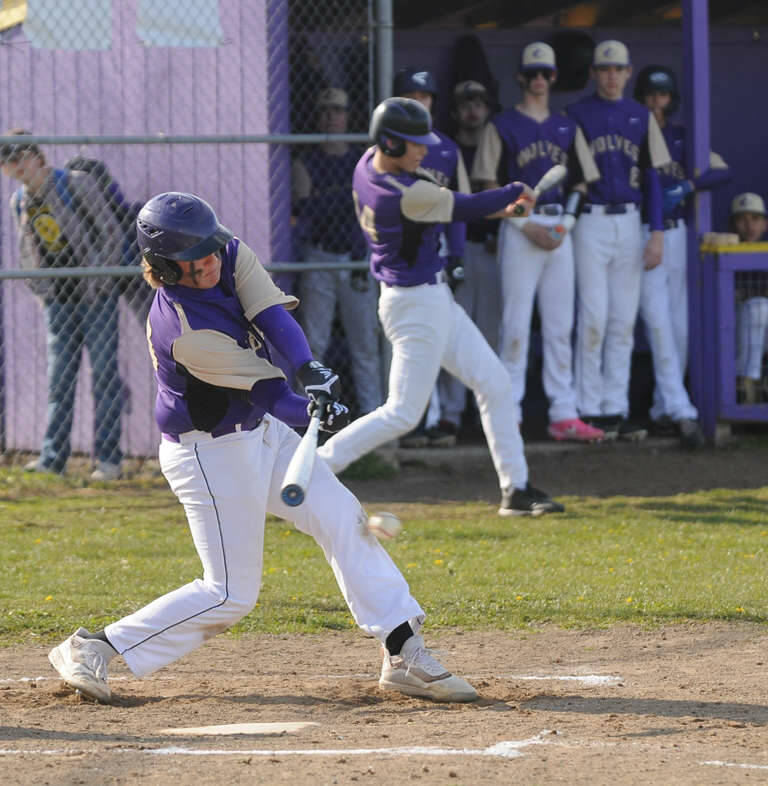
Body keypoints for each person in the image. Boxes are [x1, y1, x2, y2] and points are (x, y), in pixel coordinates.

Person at [47, 192, 478, 705]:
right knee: (229, 593)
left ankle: (403, 650)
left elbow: (272, 314)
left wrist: (309, 370)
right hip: (208, 455)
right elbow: (269, 393)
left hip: (259, 433)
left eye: (210, 250)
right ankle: (95, 646)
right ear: (164, 267)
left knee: (342, 515)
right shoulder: (183, 330)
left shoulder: (226, 251)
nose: (209, 262)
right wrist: (313, 409)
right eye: (194, 259)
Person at [317, 97, 565, 517]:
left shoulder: (367, 164)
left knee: (495, 384)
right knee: (403, 413)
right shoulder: (402, 193)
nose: (423, 151)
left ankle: (516, 490)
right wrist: (513, 192)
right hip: (415, 305)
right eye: (414, 144)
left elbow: (455, 208)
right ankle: (315, 469)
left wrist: (504, 210)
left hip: (429, 299)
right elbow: (464, 206)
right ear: (391, 144)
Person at [472, 42, 605, 444]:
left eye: (546, 73)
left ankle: (563, 412)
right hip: (520, 230)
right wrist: (525, 225)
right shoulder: (502, 125)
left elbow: (581, 180)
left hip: (558, 228)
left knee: (560, 326)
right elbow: (488, 185)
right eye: (532, 74)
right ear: (520, 78)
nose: (539, 80)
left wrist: (564, 224)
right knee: (514, 327)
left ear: (553, 77)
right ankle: (508, 413)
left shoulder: (566, 126)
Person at [0, 129, 124, 480]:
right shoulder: (19, 201)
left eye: (21, 157)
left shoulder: (76, 184)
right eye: (7, 162)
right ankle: (53, 459)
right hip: (58, 298)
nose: (15, 166)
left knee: (103, 375)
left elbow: (110, 233)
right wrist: (42, 292)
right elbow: (28, 251)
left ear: (37, 156)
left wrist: (96, 283)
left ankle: (109, 461)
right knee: (59, 379)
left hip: (94, 295)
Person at [565, 41, 672, 441]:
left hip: (629, 221)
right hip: (590, 221)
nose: (612, 75)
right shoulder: (576, 114)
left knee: (623, 321)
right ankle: (589, 408)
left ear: (629, 72)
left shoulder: (640, 116)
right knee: (593, 316)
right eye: (605, 68)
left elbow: (654, 180)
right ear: (594, 73)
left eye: (619, 68)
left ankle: (615, 407)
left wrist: (656, 231)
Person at [633, 65, 730, 447]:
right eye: (651, 95)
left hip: (677, 235)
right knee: (656, 322)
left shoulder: (680, 136)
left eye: (663, 95)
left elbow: (723, 171)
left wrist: (688, 185)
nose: (657, 102)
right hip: (641, 233)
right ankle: (678, 407)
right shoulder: (633, 132)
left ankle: (662, 408)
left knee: (679, 328)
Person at [392, 68, 471, 447]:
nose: (420, 103)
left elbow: (458, 207)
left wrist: (457, 254)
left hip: (435, 248)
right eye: (411, 96)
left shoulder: (447, 148)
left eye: (425, 97)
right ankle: (419, 419)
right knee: (412, 340)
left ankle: (437, 418)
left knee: (438, 337)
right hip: (401, 254)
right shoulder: (386, 151)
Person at [292, 87, 382, 416]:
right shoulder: (306, 158)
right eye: (325, 110)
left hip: (356, 257)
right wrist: (346, 197)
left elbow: (368, 207)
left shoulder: (362, 160)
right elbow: (305, 207)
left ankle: (374, 419)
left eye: (338, 110)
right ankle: (306, 418)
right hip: (320, 256)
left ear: (348, 115)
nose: (332, 116)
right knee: (314, 343)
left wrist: (325, 199)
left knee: (365, 345)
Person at [431, 80, 502, 447]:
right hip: (455, 249)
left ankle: (481, 415)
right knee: (452, 337)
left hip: (491, 248)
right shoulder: (444, 149)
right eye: (466, 103)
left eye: (479, 102)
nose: (473, 109)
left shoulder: (497, 142)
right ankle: (452, 415)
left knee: (489, 334)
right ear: (456, 110)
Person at [731, 193, 768, 403]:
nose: (749, 225)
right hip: (736, 334)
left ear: (765, 224)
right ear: (734, 224)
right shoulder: (725, 252)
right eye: (742, 219)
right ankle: (748, 382)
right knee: (759, 307)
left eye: (755, 218)